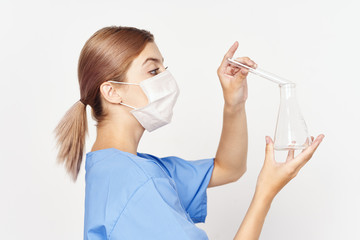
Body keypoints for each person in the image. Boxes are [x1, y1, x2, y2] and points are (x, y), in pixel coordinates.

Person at [54, 26, 324, 240]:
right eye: (153, 70)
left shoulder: (120, 168)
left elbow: (229, 168)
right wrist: (266, 191)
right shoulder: (137, 183)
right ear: (112, 91)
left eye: (164, 68)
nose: (166, 78)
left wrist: (234, 103)